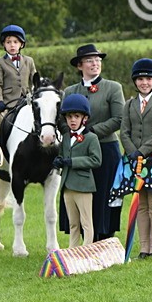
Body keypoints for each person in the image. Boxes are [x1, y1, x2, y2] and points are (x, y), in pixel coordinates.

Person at [63, 43, 125, 242]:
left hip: (106, 150)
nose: (95, 64)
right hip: (78, 152)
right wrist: (76, 137)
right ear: (79, 65)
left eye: (98, 60)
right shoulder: (70, 91)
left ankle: (106, 238)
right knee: (79, 195)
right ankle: (82, 240)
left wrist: (91, 132)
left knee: (105, 196)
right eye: (89, 60)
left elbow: (119, 118)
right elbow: (61, 121)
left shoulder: (113, 88)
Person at [118, 58, 152, 258]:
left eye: (149, 79)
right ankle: (143, 248)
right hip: (134, 159)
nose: (144, 82)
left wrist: (141, 151)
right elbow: (124, 131)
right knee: (140, 203)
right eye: (141, 79)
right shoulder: (129, 104)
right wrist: (132, 152)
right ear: (135, 81)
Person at [0, 24, 38, 167]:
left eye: (15, 42)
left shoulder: (29, 61)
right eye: (8, 42)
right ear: (4, 45)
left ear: (21, 44)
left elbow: (35, 80)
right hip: (8, 102)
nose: (12, 45)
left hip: (26, 101)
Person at [53, 93, 102, 247]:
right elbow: (63, 153)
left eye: (76, 116)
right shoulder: (66, 137)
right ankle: (72, 251)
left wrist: (72, 162)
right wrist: (59, 161)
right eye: (69, 117)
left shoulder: (91, 138)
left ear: (84, 119)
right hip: (67, 185)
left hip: (83, 186)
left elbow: (96, 160)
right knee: (73, 224)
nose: (72, 120)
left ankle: (87, 251)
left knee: (86, 223)